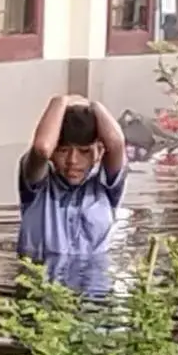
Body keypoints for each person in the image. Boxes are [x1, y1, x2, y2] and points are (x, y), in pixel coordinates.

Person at [16, 94, 127, 294]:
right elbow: (42, 148)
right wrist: (61, 101)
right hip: (42, 294)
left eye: (84, 151)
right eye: (63, 150)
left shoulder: (106, 189)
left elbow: (116, 142)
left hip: (93, 295)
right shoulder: (36, 187)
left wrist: (92, 105)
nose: (72, 161)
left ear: (99, 152)